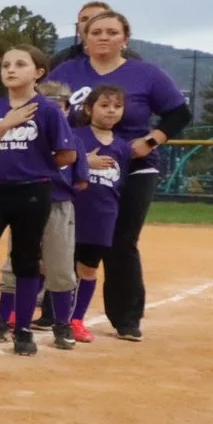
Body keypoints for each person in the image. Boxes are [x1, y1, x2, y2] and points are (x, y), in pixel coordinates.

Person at [48, 8, 188, 341]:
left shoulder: (146, 74)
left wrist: (152, 139)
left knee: (122, 241)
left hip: (134, 167)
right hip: (78, 166)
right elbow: (48, 112)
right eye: (96, 32)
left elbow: (179, 112)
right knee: (69, 239)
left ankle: (126, 318)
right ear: (84, 36)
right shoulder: (68, 70)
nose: (104, 38)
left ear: (125, 38)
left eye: (112, 32)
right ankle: (56, 312)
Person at [0, 45, 74, 357]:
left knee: (26, 260)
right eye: (6, 65)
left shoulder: (48, 110)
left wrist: (38, 165)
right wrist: (4, 126)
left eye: (20, 64)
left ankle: (22, 329)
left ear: (39, 73)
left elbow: (67, 153)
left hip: (33, 191)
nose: (10, 69)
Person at [0, 79, 82, 350]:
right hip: (22, 204)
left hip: (57, 205)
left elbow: (80, 176)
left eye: (60, 105)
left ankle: (62, 323)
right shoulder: (20, 135)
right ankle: (4, 318)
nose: (53, 109)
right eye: (48, 103)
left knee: (61, 266)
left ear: (67, 109)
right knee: (14, 265)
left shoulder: (71, 142)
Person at [68, 85, 131, 340]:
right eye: (105, 105)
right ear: (88, 108)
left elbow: (120, 182)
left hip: (103, 214)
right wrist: (84, 160)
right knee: (47, 264)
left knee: (88, 268)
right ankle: (25, 313)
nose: (111, 111)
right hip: (71, 210)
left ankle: (76, 319)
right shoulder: (75, 136)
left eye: (117, 106)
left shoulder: (122, 147)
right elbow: (59, 165)